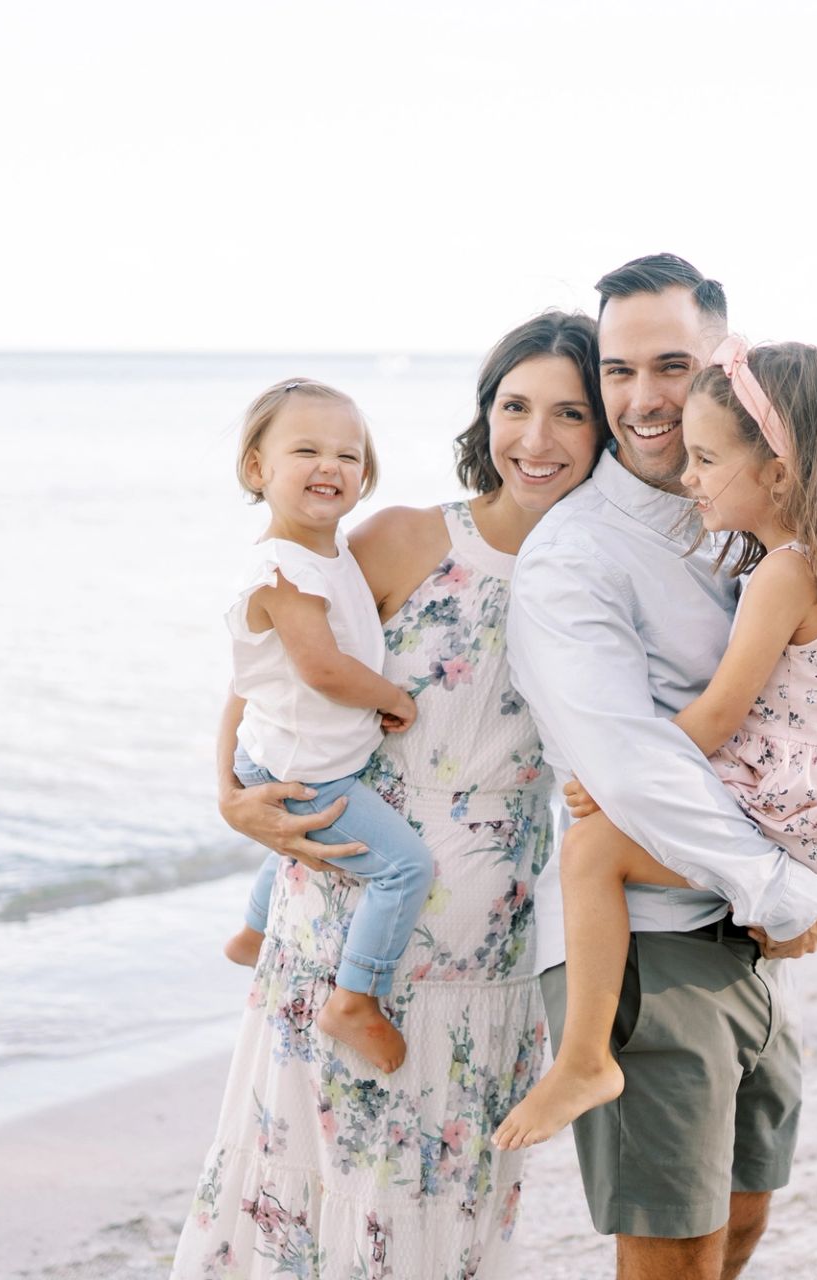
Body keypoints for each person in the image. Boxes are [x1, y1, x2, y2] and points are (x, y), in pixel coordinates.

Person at [172, 311, 608, 1280]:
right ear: (484, 414)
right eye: (515, 405)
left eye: (571, 414)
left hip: (488, 934)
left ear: (607, 428)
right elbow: (270, 675)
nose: (535, 438)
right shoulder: (406, 536)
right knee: (308, 1173)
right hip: (342, 918)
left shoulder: (602, 575)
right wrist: (229, 796)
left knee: (438, 1191)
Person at [507, 254, 817, 1280]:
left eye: (671, 365)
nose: (643, 400)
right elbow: (631, 764)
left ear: (723, 370)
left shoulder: (741, 521)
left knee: (741, 1221)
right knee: (674, 1250)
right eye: (617, 371)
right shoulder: (578, 554)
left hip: (736, 930)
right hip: (646, 946)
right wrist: (782, 886)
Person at [494, 336, 817, 1152]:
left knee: (589, 852)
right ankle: (584, 1060)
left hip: (801, 802)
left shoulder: (779, 573)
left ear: (777, 473)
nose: (689, 475)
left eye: (707, 459)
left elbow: (716, 717)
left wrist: (614, 780)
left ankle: (582, 1060)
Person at [220, 376, 433, 1074]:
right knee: (404, 867)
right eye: (306, 450)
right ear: (258, 468)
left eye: (348, 455)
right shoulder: (283, 571)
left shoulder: (328, 555)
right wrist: (392, 699)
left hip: (294, 755)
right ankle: (355, 997)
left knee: (297, 846)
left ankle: (254, 934)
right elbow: (322, 668)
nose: (329, 467)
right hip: (300, 766)